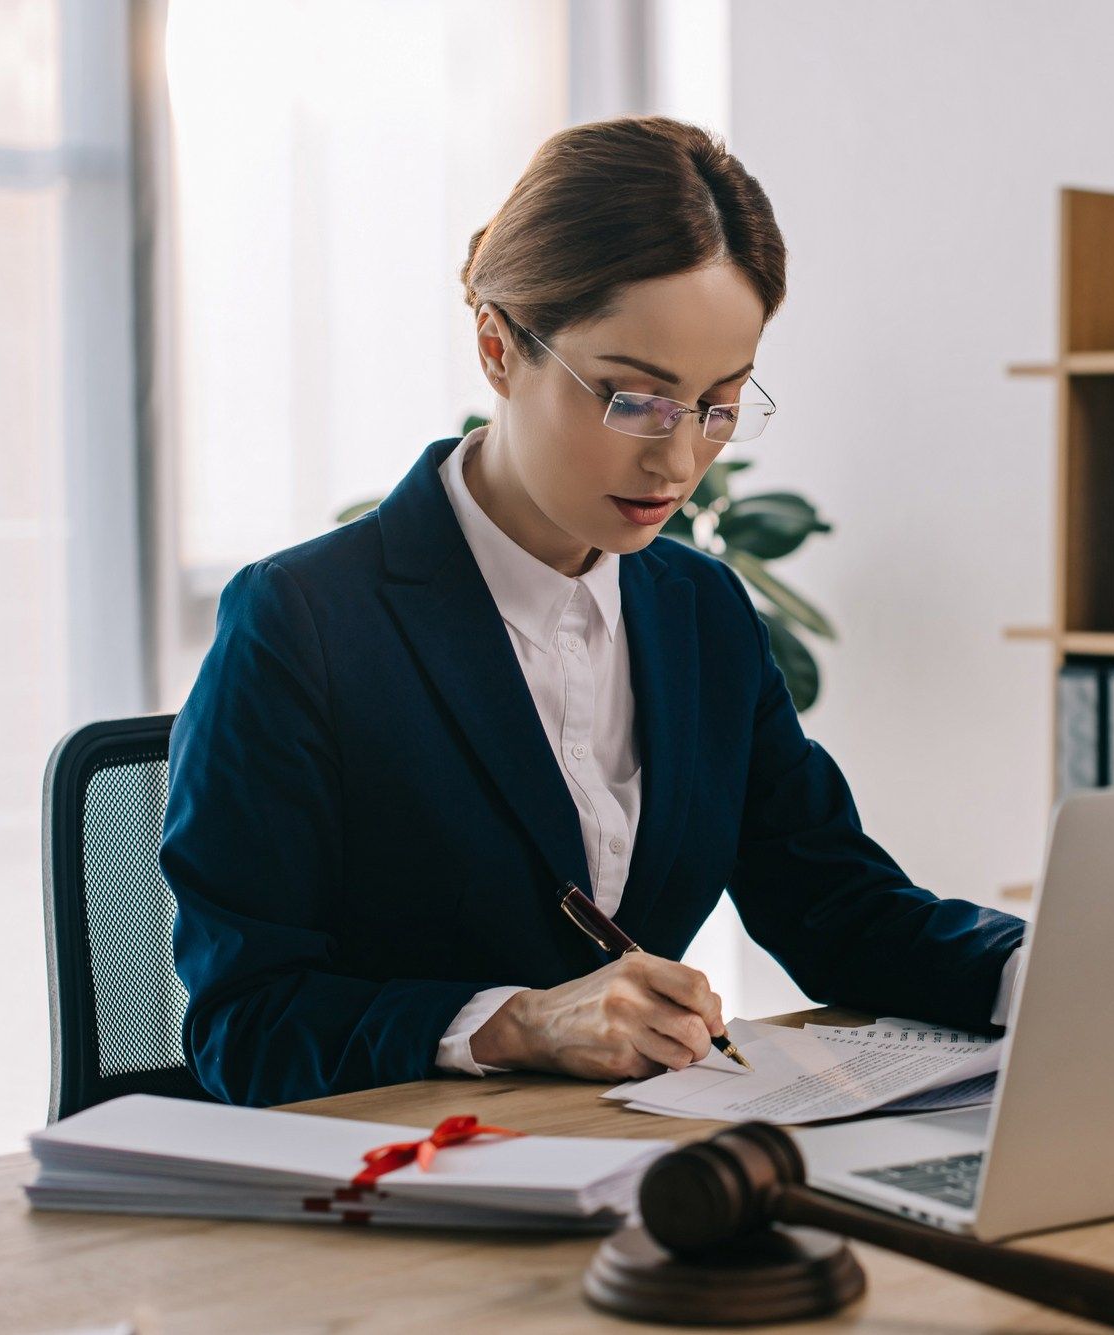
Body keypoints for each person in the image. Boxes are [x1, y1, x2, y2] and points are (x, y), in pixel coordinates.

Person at [161, 116, 1027, 1107]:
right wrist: (517, 1021)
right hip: (403, 1189)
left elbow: (836, 906)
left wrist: (1046, 971)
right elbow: (246, 1024)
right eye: (631, 398)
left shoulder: (698, 610)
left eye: (718, 404)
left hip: (630, 1160)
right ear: (497, 349)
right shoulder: (300, 621)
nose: (677, 460)